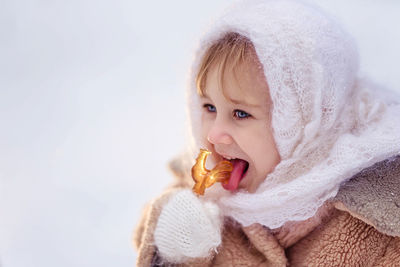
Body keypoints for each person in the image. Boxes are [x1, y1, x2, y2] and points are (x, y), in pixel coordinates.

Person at [133, 0, 400, 266]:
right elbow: (144, 236)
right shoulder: (199, 186)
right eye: (209, 107)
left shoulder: (378, 220)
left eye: (240, 113)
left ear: (303, 121)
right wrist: (175, 247)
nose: (214, 135)